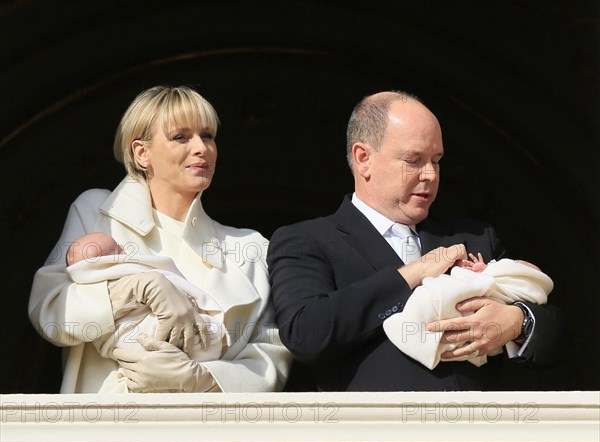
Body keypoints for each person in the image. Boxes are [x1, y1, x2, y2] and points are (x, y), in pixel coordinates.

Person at [267, 90, 563, 392]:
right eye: (414, 160)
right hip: (375, 434)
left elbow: (554, 334)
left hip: (475, 434)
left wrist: (516, 322)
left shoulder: (474, 237)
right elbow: (307, 333)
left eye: (436, 160)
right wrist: (412, 274)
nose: (431, 175)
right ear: (363, 158)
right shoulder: (306, 240)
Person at [29, 85, 292, 393]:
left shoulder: (249, 248)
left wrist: (198, 378)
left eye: (207, 136)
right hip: (108, 432)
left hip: (209, 435)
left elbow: (271, 355)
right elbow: (50, 312)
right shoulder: (98, 213)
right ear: (142, 153)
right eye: (181, 136)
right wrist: (135, 289)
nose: (201, 148)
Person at [65, 231, 230, 393]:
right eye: (115, 248)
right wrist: (133, 287)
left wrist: (207, 380)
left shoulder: (249, 242)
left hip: (210, 393)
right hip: (121, 389)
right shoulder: (89, 212)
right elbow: (59, 303)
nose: (123, 246)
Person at [383, 253, 554, 370]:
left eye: (515, 264)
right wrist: (413, 272)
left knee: (443, 293)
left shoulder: (482, 233)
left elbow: (503, 284)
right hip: (388, 386)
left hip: (474, 393)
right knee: (437, 295)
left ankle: (416, 328)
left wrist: (519, 320)